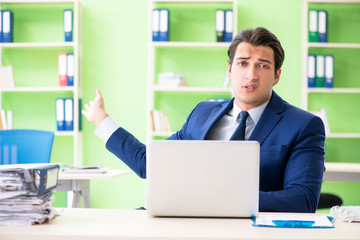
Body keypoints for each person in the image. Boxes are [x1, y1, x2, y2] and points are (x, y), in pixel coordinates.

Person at [82, 27, 325, 213]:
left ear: (277, 76)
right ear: (230, 71)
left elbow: (303, 199)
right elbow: (151, 164)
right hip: (190, 225)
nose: (251, 75)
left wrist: (221, 198)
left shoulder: (303, 125)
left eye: (262, 66)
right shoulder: (202, 113)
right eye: (243, 64)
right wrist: (103, 122)